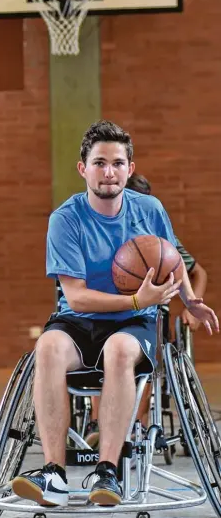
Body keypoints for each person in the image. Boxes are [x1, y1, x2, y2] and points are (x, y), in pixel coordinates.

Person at [12, 121, 219, 508]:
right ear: (83, 168)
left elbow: (173, 259)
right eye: (100, 163)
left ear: (130, 168)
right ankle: (54, 473)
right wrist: (138, 300)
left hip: (133, 324)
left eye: (118, 163)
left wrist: (190, 300)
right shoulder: (65, 219)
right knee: (49, 347)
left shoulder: (150, 209)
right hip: (82, 317)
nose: (109, 172)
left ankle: (106, 469)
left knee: (120, 351)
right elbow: (76, 297)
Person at [85, 172, 208, 441]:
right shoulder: (98, 235)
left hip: (150, 315)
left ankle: (132, 425)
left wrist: (192, 304)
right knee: (99, 354)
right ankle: (98, 424)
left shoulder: (160, 238)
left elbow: (198, 272)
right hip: (109, 311)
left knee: (144, 363)